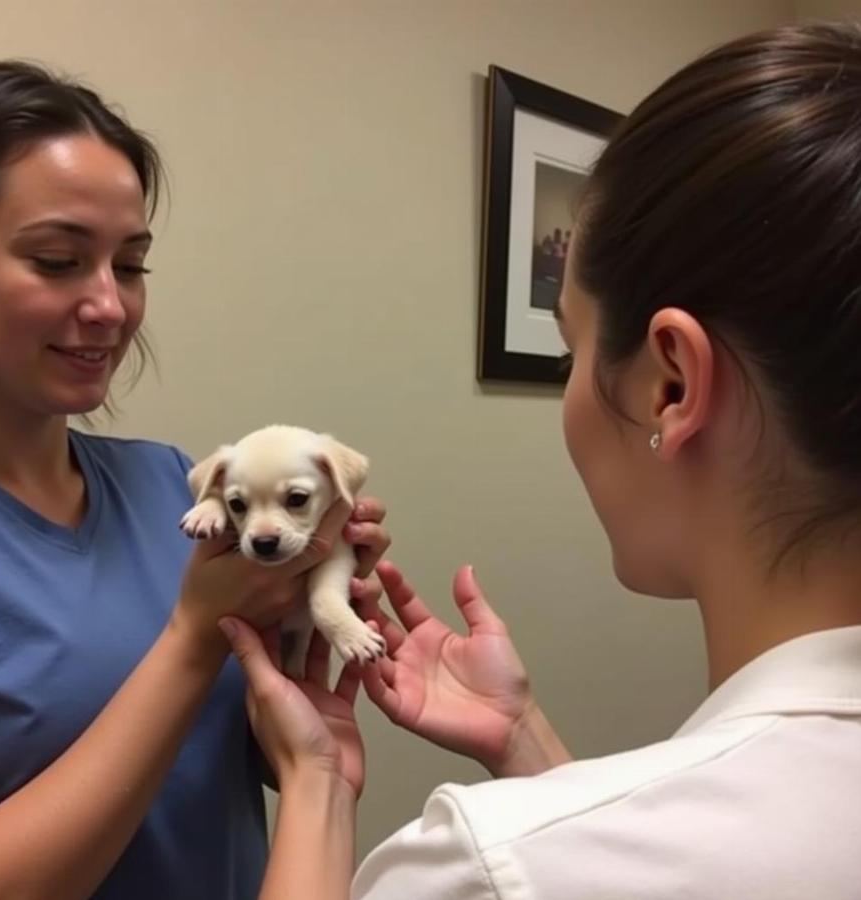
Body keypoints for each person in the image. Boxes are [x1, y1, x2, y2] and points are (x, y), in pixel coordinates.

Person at [219, 21, 861, 900]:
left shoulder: (481, 869)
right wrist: (525, 742)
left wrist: (317, 779)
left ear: (671, 385)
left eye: (570, 352)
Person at [0, 61, 391, 900]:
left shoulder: (172, 486)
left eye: (131, 266)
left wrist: (305, 675)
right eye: (56, 260)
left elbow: (207, 768)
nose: (110, 307)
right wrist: (193, 639)